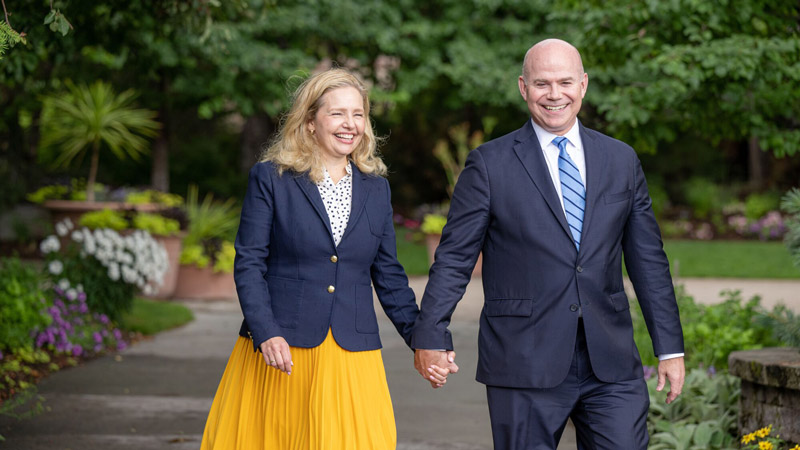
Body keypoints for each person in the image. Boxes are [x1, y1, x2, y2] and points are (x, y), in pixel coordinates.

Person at [412, 39, 685, 449]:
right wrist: (431, 334)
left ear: (584, 85)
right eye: (542, 83)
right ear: (523, 87)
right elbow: (454, 259)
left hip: (609, 362)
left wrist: (669, 348)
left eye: (565, 82)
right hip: (523, 360)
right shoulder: (489, 165)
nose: (554, 94)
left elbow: (648, 260)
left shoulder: (621, 160)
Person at [200, 68, 452, 450]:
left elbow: (389, 276)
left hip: (354, 352)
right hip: (284, 349)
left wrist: (424, 340)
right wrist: (266, 331)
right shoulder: (271, 178)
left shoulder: (376, 189)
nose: (350, 124)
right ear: (310, 121)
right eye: (337, 113)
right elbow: (250, 262)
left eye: (358, 113)